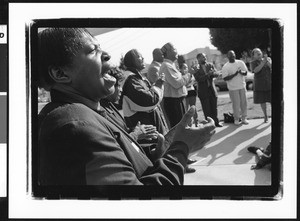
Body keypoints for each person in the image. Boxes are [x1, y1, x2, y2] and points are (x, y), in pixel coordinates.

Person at [37, 28, 216, 186]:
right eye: (93, 50)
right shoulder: (74, 126)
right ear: (60, 73)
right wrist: (181, 148)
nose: (106, 54)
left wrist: (158, 154)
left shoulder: (93, 111)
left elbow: (127, 172)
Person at [100, 68, 165, 162]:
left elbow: (121, 134)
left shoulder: (109, 106)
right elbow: (114, 146)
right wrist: (135, 134)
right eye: (117, 85)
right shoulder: (101, 111)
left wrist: (137, 132)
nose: (121, 89)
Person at [159, 42, 198, 173]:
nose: (177, 51)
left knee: (183, 130)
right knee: (178, 133)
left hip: (178, 100)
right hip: (173, 102)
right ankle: (181, 164)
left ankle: (184, 158)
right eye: (174, 49)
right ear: (168, 52)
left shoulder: (171, 65)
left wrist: (188, 76)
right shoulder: (166, 66)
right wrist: (189, 73)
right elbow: (177, 83)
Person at [121, 49, 169, 139]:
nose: (143, 58)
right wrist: (159, 84)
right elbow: (150, 101)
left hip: (151, 129)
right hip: (146, 133)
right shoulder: (131, 81)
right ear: (131, 61)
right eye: (139, 56)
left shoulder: (137, 78)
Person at [192, 53, 222, 127]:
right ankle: (210, 125)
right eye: (203, 57)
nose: (205, 58)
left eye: (205, 57)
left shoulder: (210, 65)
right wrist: (207, 74)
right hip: (203, 91)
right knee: (206, 109)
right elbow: (198, 79)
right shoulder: (196, 68)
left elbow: (216, 73)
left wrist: (214, 73)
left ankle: (216, 122)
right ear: (198, 59)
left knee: (214, 108)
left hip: (212, 90)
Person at [222, 50, 249, 126]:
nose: (232, 56)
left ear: (235, 55)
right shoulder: (226, 66)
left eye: (233, 55)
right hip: (233, 88)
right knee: (236, 104)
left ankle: (244, 118)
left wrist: (241, 72)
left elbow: (246, 72)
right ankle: (236, 119)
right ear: (228, 57)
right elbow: (225, 78)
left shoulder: (240, 62)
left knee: (244, 103)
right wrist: (235, 74)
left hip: (242, 86)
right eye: (230, 55)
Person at [250, 48, 272, 123]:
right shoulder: (253, 62)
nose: (259, 53)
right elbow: (255, 70)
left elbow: (272, 67)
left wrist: (267, 61)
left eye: (260, 52)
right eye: (256, 52)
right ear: (253, 56)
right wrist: (263, 63)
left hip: (269, 83)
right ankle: (265, 115)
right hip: (260, 85)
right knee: (263, 101)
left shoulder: (268, 59)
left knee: (272, 100)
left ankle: (273, 115)